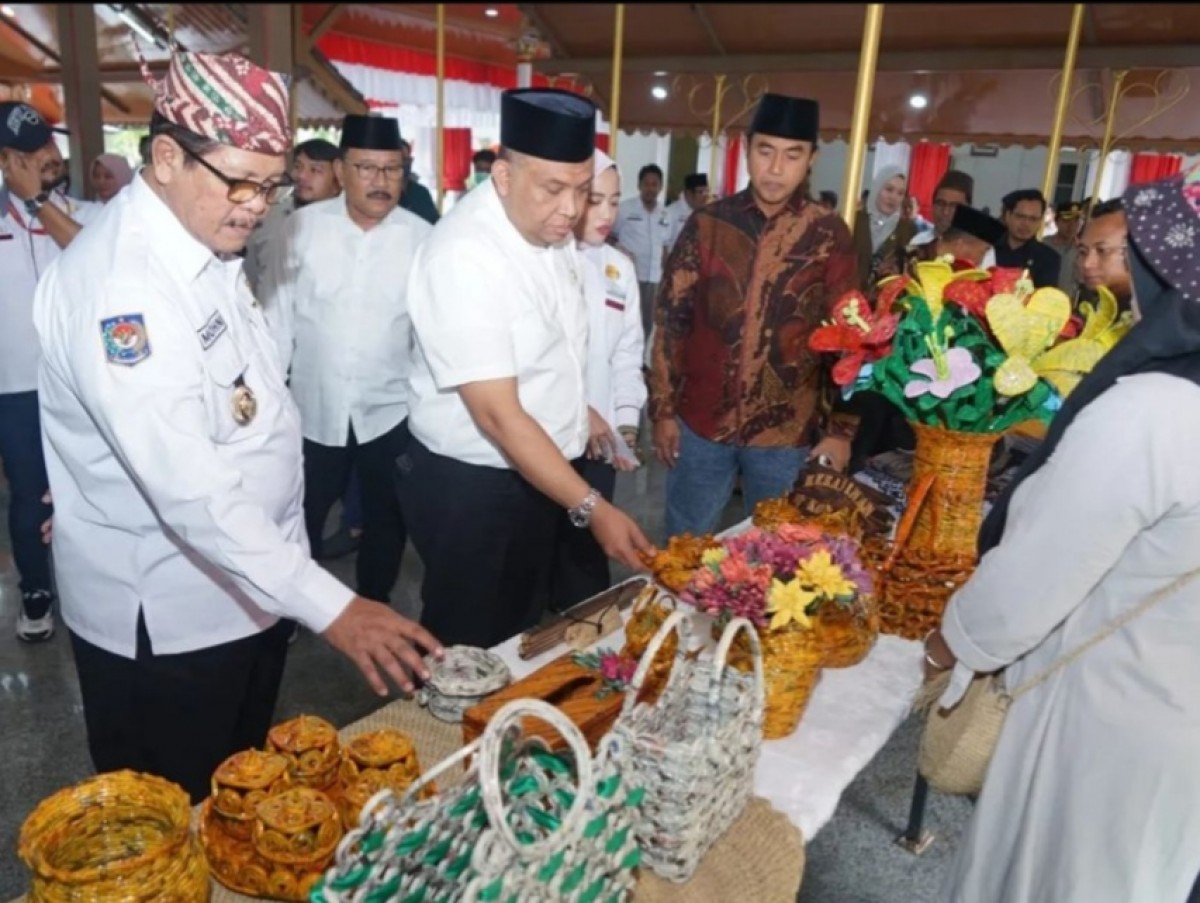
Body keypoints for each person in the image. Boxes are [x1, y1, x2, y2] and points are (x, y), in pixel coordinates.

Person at [33, 51, 441, 803]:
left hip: (245, 593)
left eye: (272, 184)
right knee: (179, 817)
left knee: (237, 799)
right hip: (171, 620)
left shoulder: (202, 241)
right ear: (166, 157)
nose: (257, 206)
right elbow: (191, 490)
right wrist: (334, 605)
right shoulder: (123, 286)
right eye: (242, 182)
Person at [924, 163, 1200, 903]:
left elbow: (1031, 581)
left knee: (1046, 877)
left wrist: (947, 644)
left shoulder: (1152, 412)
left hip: (1104, 722)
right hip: (1179, 726)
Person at [398, 87, 653, 649]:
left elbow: (551, 346)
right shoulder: (464, 255)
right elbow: (497, 416)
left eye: (582, 190)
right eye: (554, 189)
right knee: (469, 645)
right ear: (504, 176)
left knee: (519, 629)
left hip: (538, 471)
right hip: (477, 485)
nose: (571, 209)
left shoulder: (546, 229)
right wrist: (593, 507)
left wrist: (578, 408)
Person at [648, 92, 859, 539]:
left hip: (786, 432)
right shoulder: (708, 224)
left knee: (779, 553)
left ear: (811, 160)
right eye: (765, 151)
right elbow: (671, 321)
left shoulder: (827, 233)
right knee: (684, 546)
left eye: (792, 155)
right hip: (701, 424)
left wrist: (841, 431)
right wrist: (663, 410)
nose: (776, 168)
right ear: (746, 150)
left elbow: (851, 340)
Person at [260, 114, 432, 606]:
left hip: (390, 412)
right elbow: (277, 322)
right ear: (340, 169)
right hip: (312, 408)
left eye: (392, 169)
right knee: (301, 513)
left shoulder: (423, 239)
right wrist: (270, 406)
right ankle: (295, 607)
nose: (381, 181)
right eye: (367, 168)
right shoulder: (301, 228)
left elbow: (430, 338)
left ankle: (375, 605)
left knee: (386, 517)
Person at [0, 101, 101, 643]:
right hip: (15, 389)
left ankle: (92, 584)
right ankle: (36, 590)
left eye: (46, 143)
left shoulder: (85, 214)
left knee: (90, 487)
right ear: (5, 160)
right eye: (27, 151)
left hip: (82, 385)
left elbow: (94, 260)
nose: (45, 155)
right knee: (28, 494)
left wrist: (39, 203)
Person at [548, 148, 645, 610]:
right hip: (545, 436)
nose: (607, 214)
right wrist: (579, 410)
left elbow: (627, 353)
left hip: (600, 443)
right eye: (595, 200)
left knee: (586, 558)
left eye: (615, 201)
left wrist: (626, 420)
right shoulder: (545, 261)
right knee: (539, 549)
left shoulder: (618, 267)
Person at [851, 205, 1006, 472]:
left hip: (929, 383)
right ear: (962, 245)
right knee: (873, 455)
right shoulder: (909, 264)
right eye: (981, 252)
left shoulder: (954, 270)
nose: (981, 260)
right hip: (889, 377)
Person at [243, 137, 341, 296]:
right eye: (298, 166)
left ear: (339, 181)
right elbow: (248, 273)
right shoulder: (268, 214)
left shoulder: (347, 228)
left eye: (315, 170)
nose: (301, 175)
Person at [612, 162, 670, 337]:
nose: (650, 189)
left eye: (654, 184)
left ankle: (641, 353)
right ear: (639, 185)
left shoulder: (664, 213)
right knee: (627, 320)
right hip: (630, 275)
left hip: (654, 278)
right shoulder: (625, 209)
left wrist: (666, 276)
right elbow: (610, 236)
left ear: (660, 187)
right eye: (647, 184)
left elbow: (665, 246)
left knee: (647, 323)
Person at [907, 169, 996, 269]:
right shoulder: (918, 241)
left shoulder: (981, 250)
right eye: (940, 203)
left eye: (954, 206)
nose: (945, 212)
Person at [853, 166, 916, 291]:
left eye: (900, 193)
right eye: (889, 189)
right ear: (877, 188)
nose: (893, 197)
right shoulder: (855, 220)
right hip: (848, 296)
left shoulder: (907, 229)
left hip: (887, 298)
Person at [993, 188, 1062, 289]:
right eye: (1020, 216)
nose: (1026, 224)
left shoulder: (1048, 258)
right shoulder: (988, 248)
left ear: (1040, 221)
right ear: (1007, 215)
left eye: (1033, 219)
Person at [1075, 198, 1132, 311]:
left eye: (1102, 250)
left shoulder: (1153, 315)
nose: (1087, 264)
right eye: (1083, 252)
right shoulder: (1090, 306)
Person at [663, 171, 709, 257]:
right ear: (689, 193)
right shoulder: (670, 213)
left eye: (706, 191)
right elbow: (663, 245)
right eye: (700, 192)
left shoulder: (705, 213)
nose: (705, 196)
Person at [397, 137, 439, 225]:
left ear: (411, 161)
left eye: (405, 159)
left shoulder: (421, 193)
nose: (402, 164)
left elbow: (435, 224)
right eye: (397, 160)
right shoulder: (382, 195)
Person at [1048, 199, 1084, 294]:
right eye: (1066, 221)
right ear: (1056, 221)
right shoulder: (1044, 245)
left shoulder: (1082, 250)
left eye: (1076, 221)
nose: (1071, 226)